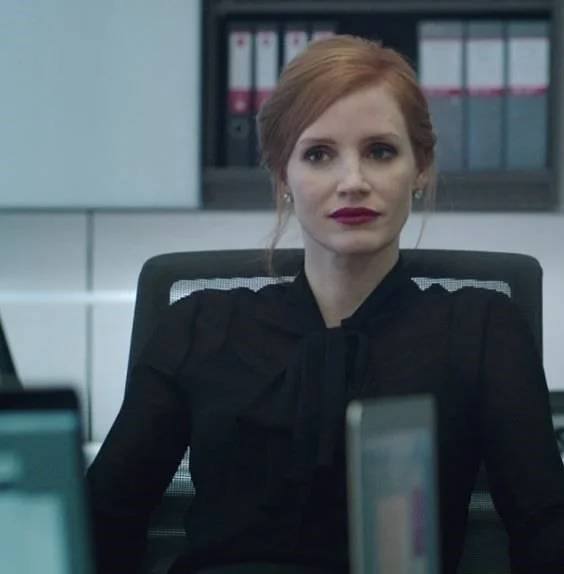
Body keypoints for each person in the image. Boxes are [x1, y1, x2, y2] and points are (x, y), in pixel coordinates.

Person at [86, 34, 564, 574]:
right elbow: (100, 523)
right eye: (318, 154)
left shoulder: (480, 328)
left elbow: (546, 530)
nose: (352, 182)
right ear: (282, 175)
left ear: (421, 167)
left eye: (380, 152)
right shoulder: (198, 325)